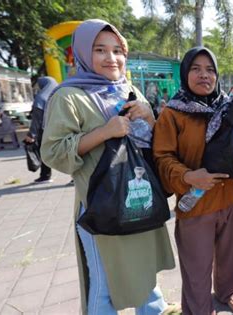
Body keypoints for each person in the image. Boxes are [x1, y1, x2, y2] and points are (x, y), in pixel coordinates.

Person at [40, 19, 175, 315]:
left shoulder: (129, 90)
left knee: (145, 273)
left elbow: (152, 146)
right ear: (84, 55)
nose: (111, 58)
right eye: (100, 50)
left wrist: (150, 119)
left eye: (117, 51)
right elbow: (52, 152)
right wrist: (104, 132)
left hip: (138, 200)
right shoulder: (68, 96)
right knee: (103, 286)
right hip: (100, 206)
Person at [153, 47, 233, 315]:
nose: (204, 75)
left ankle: (228, 291)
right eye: (196, 69)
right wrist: (187, 176)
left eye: (210, 70)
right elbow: (162, 156)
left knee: (232, 256)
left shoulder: (230, 108)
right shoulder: (173, 114)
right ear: (185, 74)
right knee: (196, 267)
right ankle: (198, 309)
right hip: (195, 203)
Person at [24, 76, 58, 183]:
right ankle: (74, 177)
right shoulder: (57, 95)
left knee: (44, 152)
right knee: (65, 152)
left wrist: (31, 134)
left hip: (45, 130)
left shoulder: (41, 97)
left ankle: (45, 175)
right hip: (60, 128)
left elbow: (37, 119)